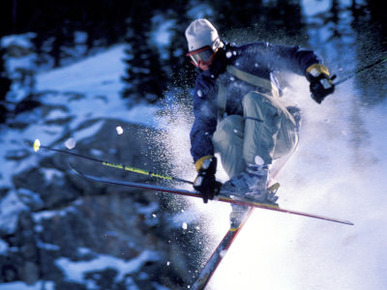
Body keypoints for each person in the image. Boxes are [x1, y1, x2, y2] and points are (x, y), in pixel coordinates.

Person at [185, 19, 334, 222]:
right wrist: (204, 168)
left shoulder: (250, 55)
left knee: (253, 99)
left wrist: (316, 74)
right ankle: (246, 194)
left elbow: (294, 56)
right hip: (250, 143)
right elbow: (202, 126)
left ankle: (256, 176)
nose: (200, 63)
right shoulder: (206, 84)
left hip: (281, 133)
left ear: (216, 46)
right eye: (194, 59)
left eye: (203, 55)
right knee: (225, 128)